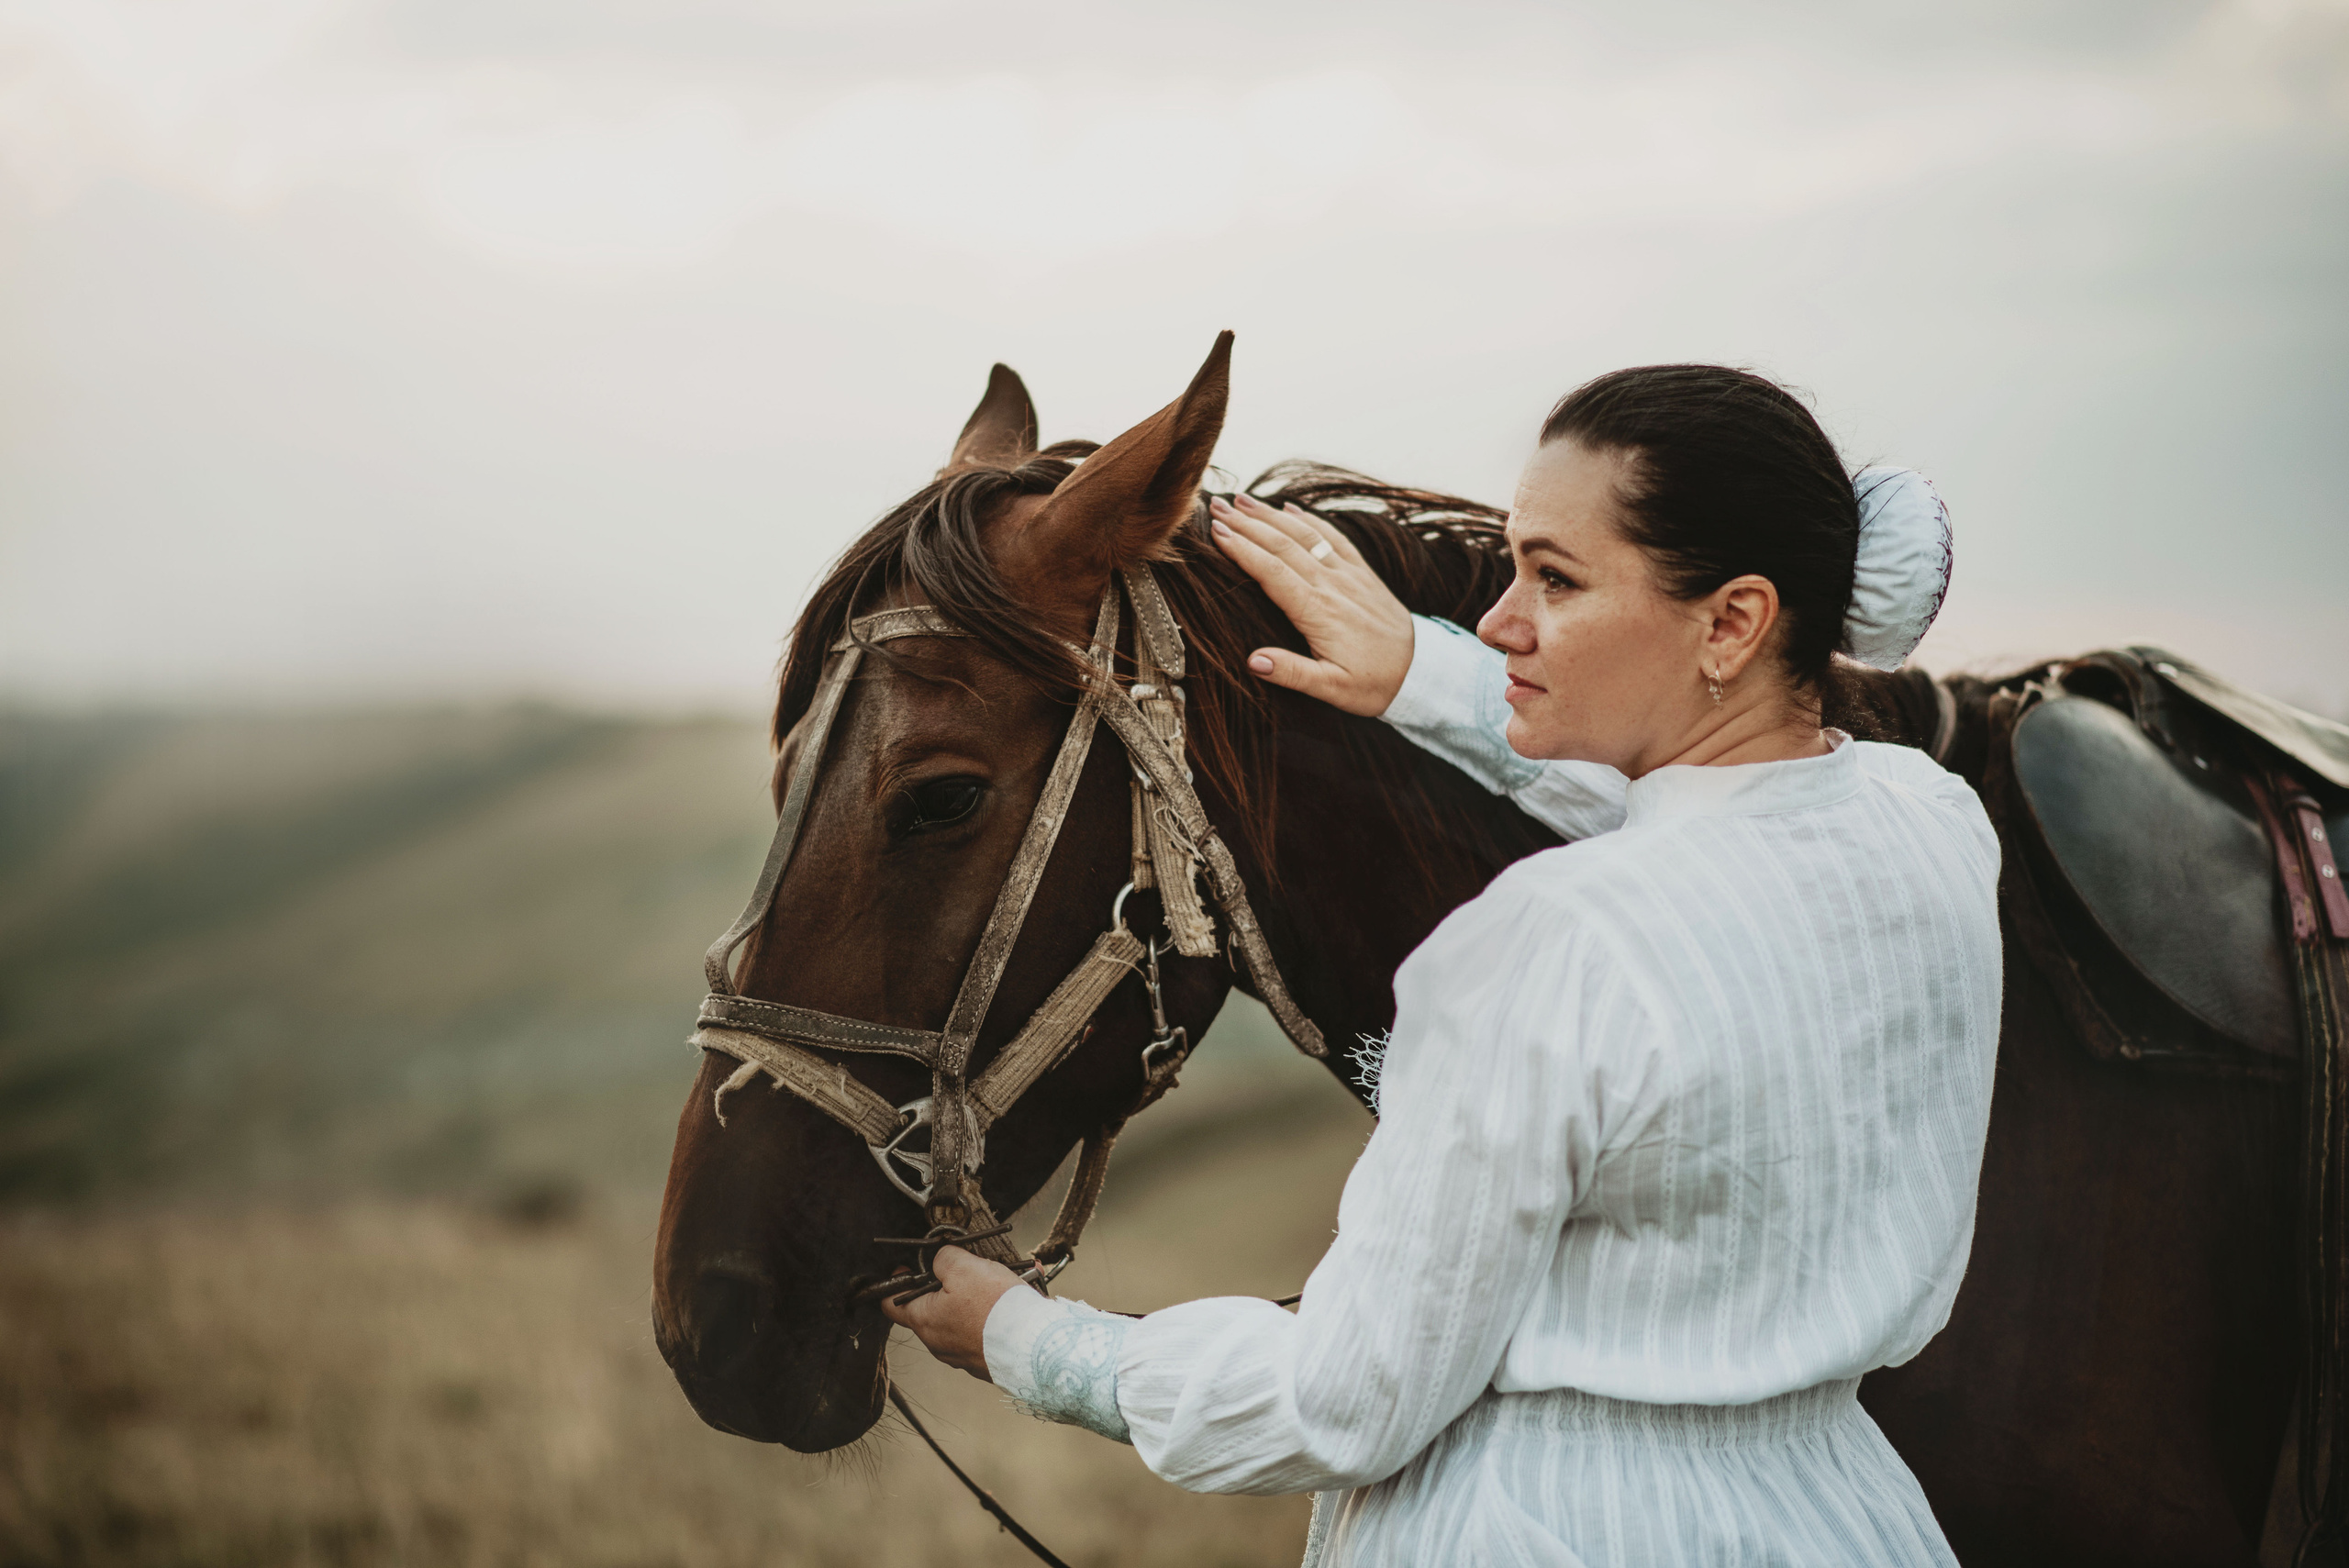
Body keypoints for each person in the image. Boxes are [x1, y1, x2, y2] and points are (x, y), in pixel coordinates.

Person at [885, 363, 1999, 1566]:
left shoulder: (1550, 946)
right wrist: (1422, 671)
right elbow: (1723, 825)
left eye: (1556, 580)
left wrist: (1026, 1342)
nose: (1505, 621)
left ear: (1731, 622)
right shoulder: (1931, 825)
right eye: (1514, 564)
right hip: (1843, 1518)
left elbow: (1345, 1398)